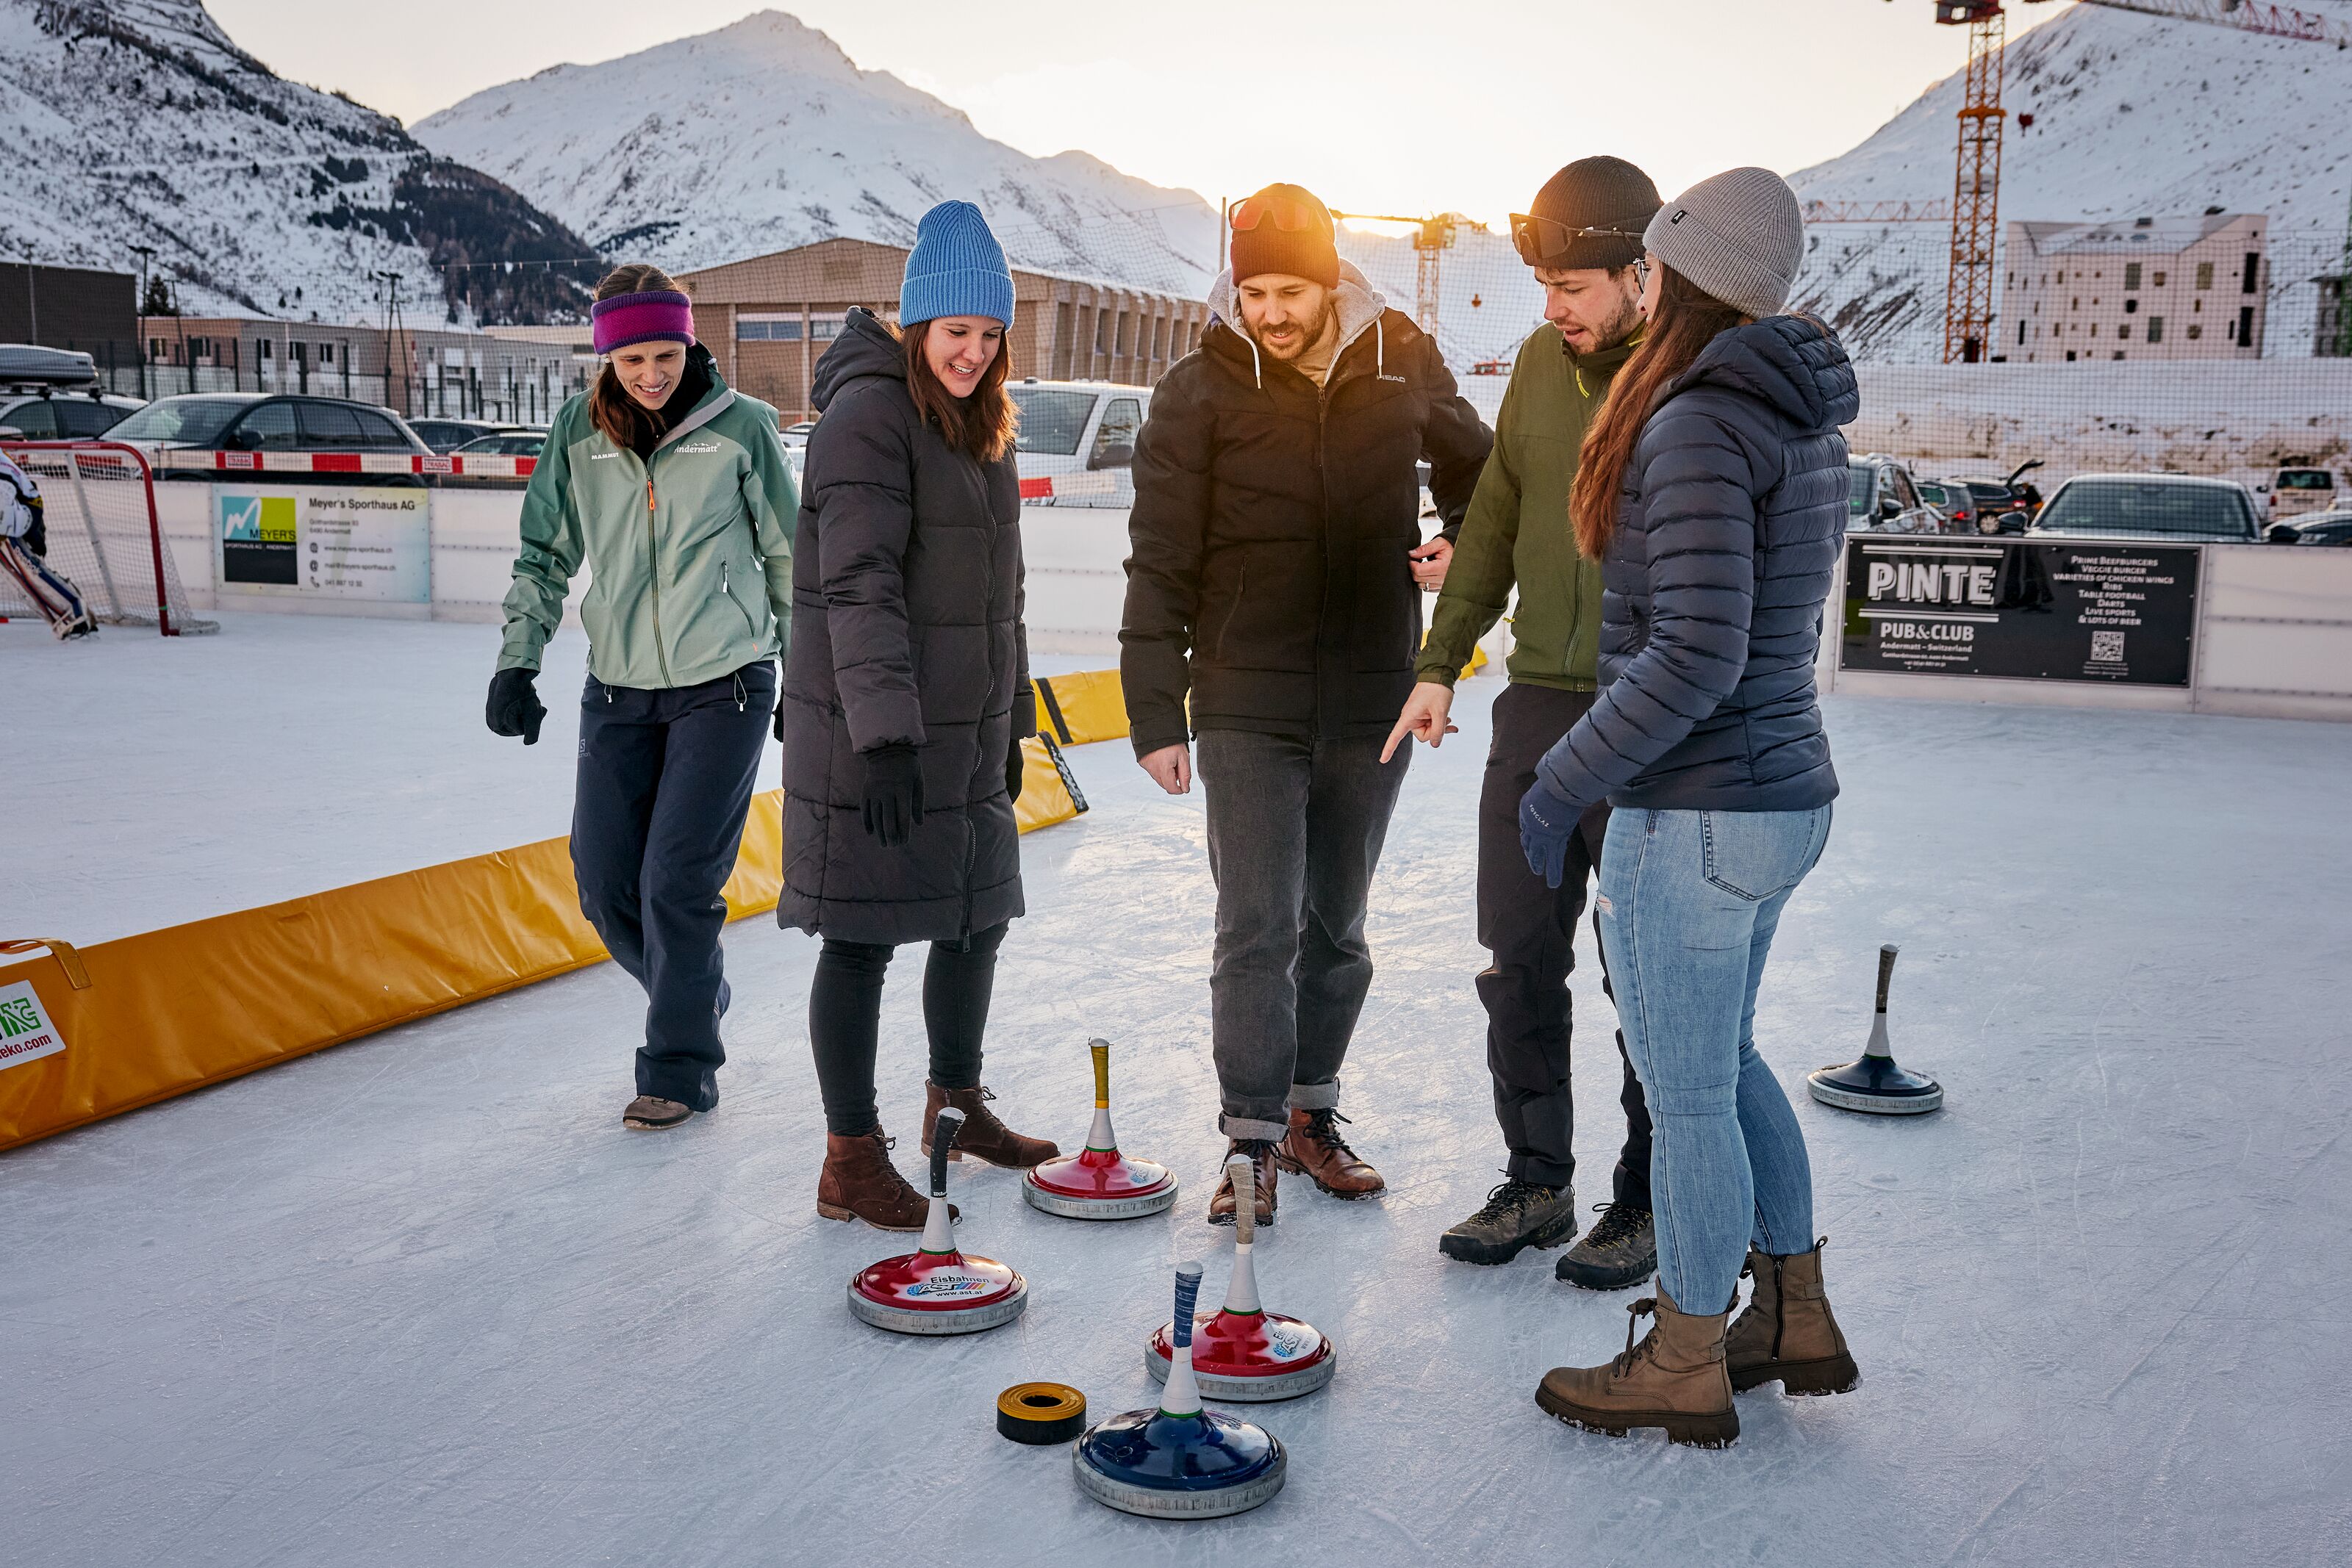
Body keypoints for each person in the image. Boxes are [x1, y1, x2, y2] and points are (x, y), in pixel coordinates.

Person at [1517, 168, 1859, 1448]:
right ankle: (1796, 1312)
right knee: (1730, 1057)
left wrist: (1566, 775)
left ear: (1679, 280)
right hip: (1781, 795)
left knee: (1689, 1090)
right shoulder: (1795, 415)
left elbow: (1696, 652)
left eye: (1653, 265)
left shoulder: (1701, 420)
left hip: (1704, 807)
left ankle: (1686, 1351)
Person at [1122, 182, 1492, 1226]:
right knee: (1257, 924)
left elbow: (1484, 475)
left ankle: (1310, 1115)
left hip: (1375, 692)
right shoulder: (1198, 390)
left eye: (1290, 289)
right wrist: (1156, 711)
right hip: (1245, 699)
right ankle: (1247, 1141)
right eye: (1254, 292)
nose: (1271, 313)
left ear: (1329, 283)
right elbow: (1158, 561)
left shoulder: (1400, 358)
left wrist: (1461, 540)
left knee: (1339, 926)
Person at [1386, 157, 1664, 1285]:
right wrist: (1440, 661)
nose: (1552, 309)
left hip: (1653, 709)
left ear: (1645, 274)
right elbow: (1493, 517)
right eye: (1546, 285)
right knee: (1519, 953)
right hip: (1538, 704)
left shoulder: (1693, 376)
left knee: (1643, 971)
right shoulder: (1546, 367)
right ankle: (1537, 1179)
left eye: (1576, 286)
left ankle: (1645, 1196)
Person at [778, 201, 1058, 1232]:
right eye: (956, 334)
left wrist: (1016, 710)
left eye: (991, 337)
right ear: (914, 328)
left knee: (976, 914)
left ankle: (955, 1101)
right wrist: (888, 738)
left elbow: (1001, 594)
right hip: (876, 735)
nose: (975, 354)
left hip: (964, 730)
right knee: (859, 937)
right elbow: (858, 586)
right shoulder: (867, 418)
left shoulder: (982, 425)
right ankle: (850, 1157)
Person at [489, 264, 797, 1132]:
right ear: (605, 358)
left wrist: (802, 681)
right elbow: (544, 555)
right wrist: (518, 662)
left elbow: (788, 558)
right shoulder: (576, 436)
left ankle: (679, 1065)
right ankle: (692, 989)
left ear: (690, 342)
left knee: (675, 883)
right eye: (632, 360)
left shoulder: (741, 429)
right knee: (602, 883)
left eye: (666, 353)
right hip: (617, 688)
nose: (652, 374)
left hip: (726, 685)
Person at [0, 449, 96, 639]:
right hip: (15, 507)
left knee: (23, 567)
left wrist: (33, 537)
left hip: (20, 510)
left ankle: (75, 614)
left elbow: (6, 507)